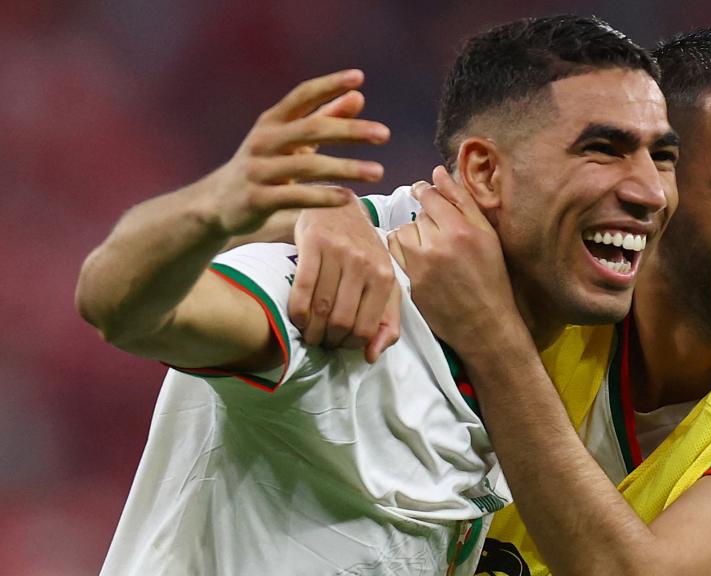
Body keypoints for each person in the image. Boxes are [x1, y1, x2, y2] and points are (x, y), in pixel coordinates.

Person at [74, 15, 679, 575]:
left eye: (663, 156)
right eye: (603, 150)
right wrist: (217, 207)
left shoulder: (549, 310)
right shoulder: (343, 290)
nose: (650, 191)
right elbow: (119, 306)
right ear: (486, 173)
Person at [321, 27, 711, 576]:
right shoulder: (548, 257)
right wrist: (324, 218)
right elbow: (282, 229)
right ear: (660, 182)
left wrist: (494, 342)